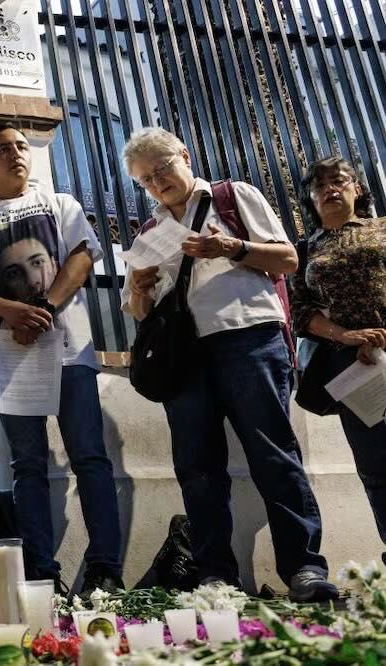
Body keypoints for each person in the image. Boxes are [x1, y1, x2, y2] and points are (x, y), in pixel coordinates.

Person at [120, 126, 337, 601]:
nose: (158, 184)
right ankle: (216, 576)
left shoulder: (232, 196)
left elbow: (286, 260)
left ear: (184, 154)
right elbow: (138, 312)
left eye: (162, 169)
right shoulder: (149, 233)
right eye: (146, 180)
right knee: (197, 468)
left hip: (248, 338)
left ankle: (304, 568)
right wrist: (138, 290)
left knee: (273, 454)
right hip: (184, 358)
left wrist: (231, 248)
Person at [0, 123, 124, 598]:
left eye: (21, 146)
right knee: (27, 465)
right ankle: (41, 572)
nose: (15, 154)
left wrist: (42, 311)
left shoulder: (61, 204)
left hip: (69, 350)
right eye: (3, 149)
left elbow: (82, 258)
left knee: (90, 457)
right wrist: (9, 310)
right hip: (9, 355)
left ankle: (106, 567)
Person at [290, 156, 386, 551]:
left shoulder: (382, 230)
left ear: (357, 189)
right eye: (320, 186)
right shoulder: (305, 249)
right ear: (311, 200)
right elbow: (300, 312)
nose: (330, 189)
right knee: (376, 469)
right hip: (354, 369)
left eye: (339, 181)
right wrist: (346, 336)